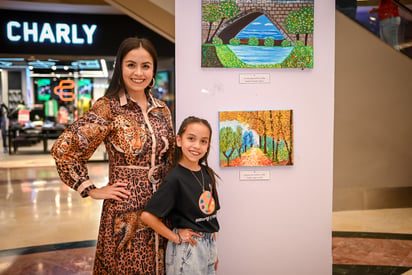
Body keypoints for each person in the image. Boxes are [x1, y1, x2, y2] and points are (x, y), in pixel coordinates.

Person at [51, 37, 175, 274]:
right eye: (131, 65)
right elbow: (64, 149)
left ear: (153, 70)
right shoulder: (108, 107)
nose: (138, 72)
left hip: (162, 208)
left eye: (145, 66)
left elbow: (170, 159)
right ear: (120, 67)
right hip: (126, 208)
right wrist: (90, 188)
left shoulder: (162, 109)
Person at [141, 116, 221, 275]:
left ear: (208, 146)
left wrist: (212, 251)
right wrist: (176, 237)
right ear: (179, 140)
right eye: (191, 139)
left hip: (208, 245)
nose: (197, 146)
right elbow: (147, 216)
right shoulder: (175, 178)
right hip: (188, 250)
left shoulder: (207, 173)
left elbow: (211, 214)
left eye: (203, 141)